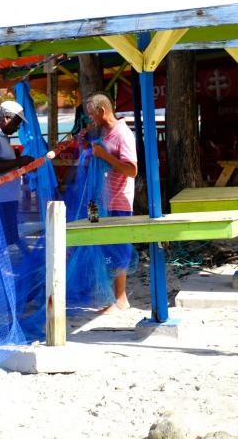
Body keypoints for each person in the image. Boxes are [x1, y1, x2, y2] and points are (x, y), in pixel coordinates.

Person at [85, 92, 138, 314]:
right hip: (98, 201)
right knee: (98, 241)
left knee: (118, 246)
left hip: (118, 202)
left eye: (91, 115)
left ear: (102, 111)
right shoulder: (103, 132)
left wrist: (104, 156)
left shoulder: (123, 134)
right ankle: (110, 297)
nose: (90, 120)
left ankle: (121, 299)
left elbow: (132, 170)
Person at [0, 100, 34, 249]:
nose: (17, 128)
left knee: (9, 238)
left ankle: (12, 266)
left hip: (6, 198)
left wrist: (18, 160)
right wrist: (18, 161)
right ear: (6, 118)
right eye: (17, 123)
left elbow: (1, 162)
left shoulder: (1, 136)